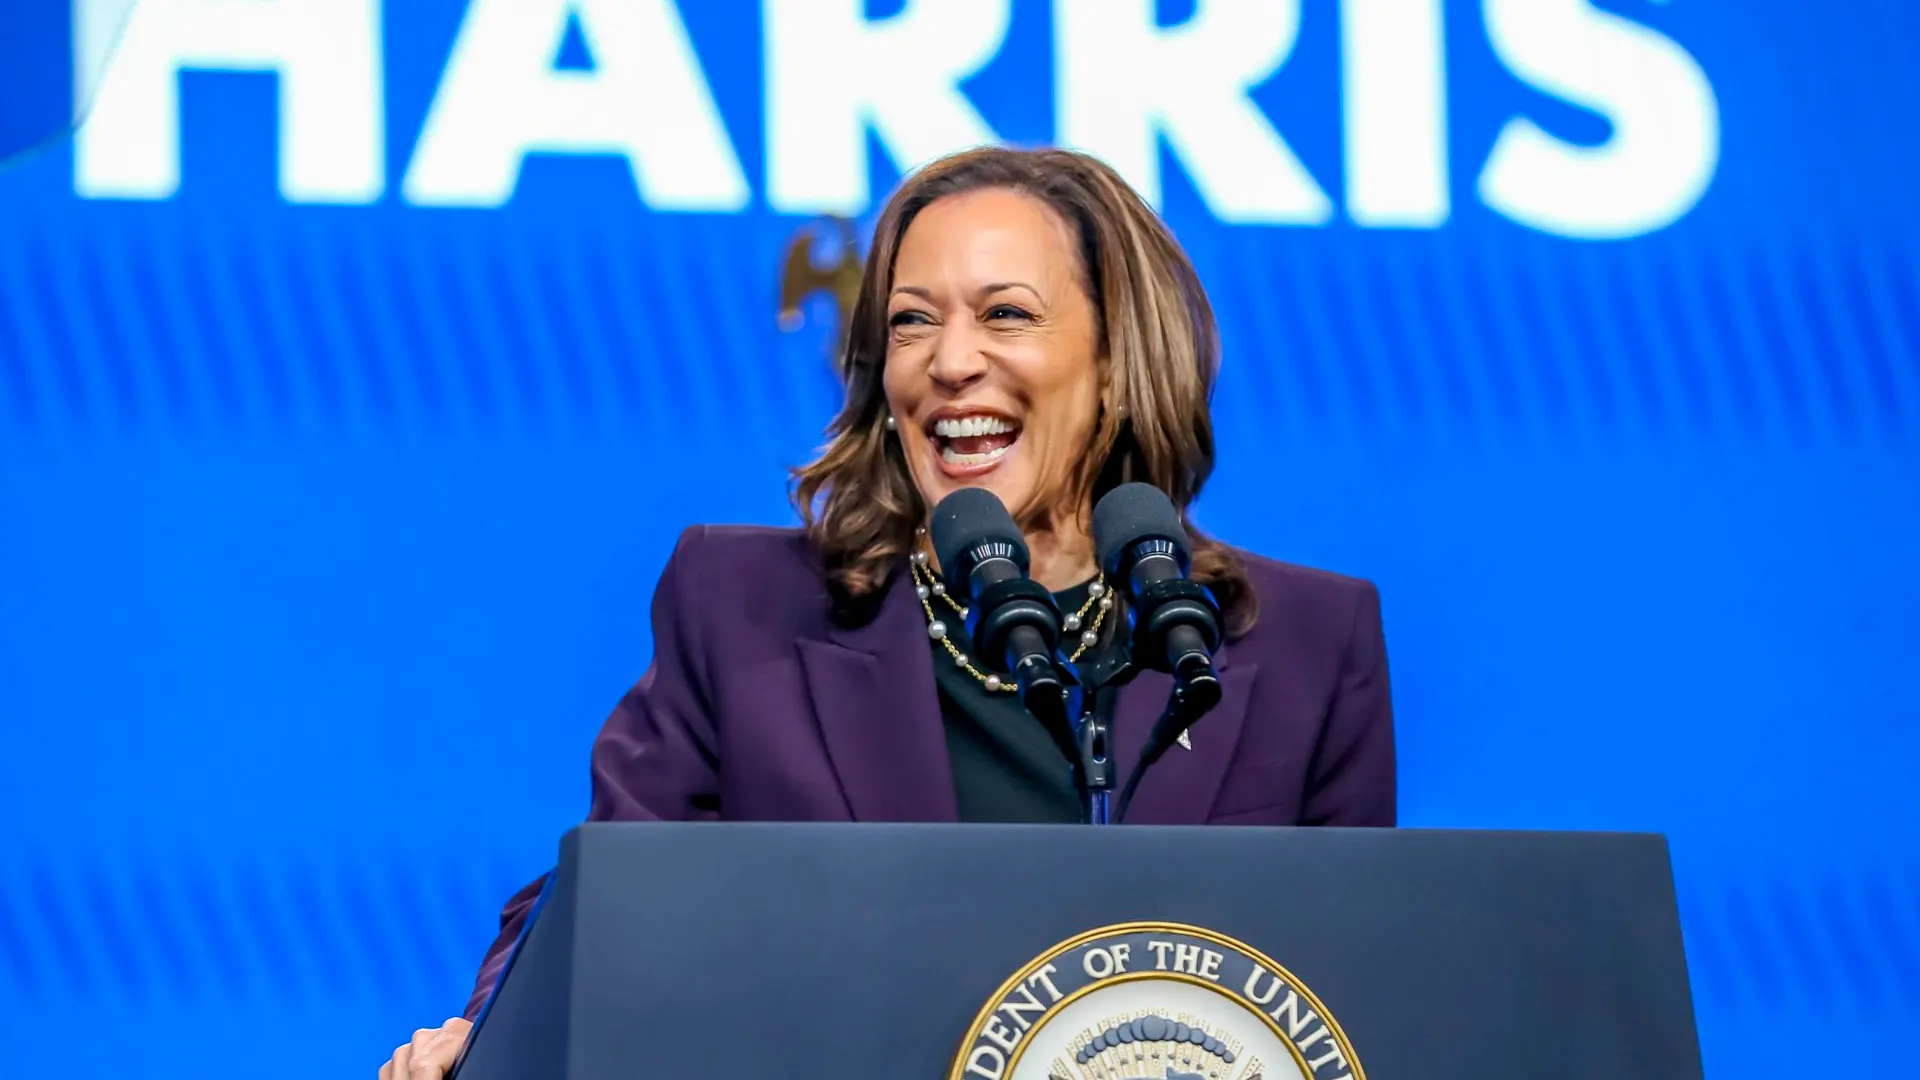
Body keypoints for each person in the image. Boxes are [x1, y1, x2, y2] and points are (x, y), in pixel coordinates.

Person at [375, 145, 1395, 1079]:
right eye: (913, 320)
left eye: (1005, 314)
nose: (950, 362)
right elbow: (603, 894)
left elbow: (1355, 1001)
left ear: (1120, 360)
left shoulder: (1306, 644)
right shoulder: (743, 609)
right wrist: (486, 1037)